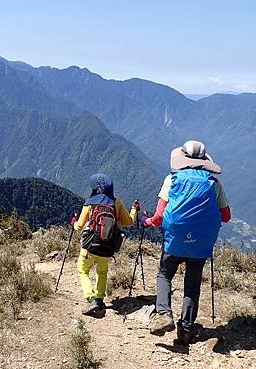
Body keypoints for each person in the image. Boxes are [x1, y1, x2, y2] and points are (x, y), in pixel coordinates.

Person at [143, 140, 231, 345]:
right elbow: (225, 216)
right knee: (192, 286)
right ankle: (186, 330)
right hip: (200, 244)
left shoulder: (171, 180)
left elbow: (159, 216)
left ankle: (164, 313)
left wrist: (146, 222)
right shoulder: (214, 183)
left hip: (175, 240)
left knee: (164, 274)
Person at [74, 173, 138, 315]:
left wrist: (74, 223)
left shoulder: (90, 203)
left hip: (90, 246)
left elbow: (79, 226)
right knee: (102, 272)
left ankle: (91, 299)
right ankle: (100, 298)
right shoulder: (116, 203)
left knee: (82, 271)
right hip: (107, 247)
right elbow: (128, 222)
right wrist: (134, 210)